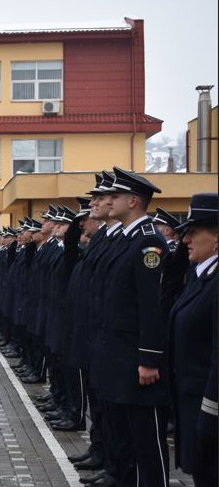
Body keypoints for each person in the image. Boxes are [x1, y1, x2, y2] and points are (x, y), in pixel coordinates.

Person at [92, 167, 171, 487]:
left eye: (115, 196)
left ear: (134, 201)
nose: (108, 200)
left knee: (145, 443)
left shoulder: (147, 243)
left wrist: (149, 358)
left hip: (136, 359)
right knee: (125, 436)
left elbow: (152, 306)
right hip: (118, 355)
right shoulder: (126, 240)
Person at [168, 193, 217, 486]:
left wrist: (209, 417)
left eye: (193, 232)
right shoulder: (201, 277)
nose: (185, 240)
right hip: (192, 403)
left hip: (208, 411)